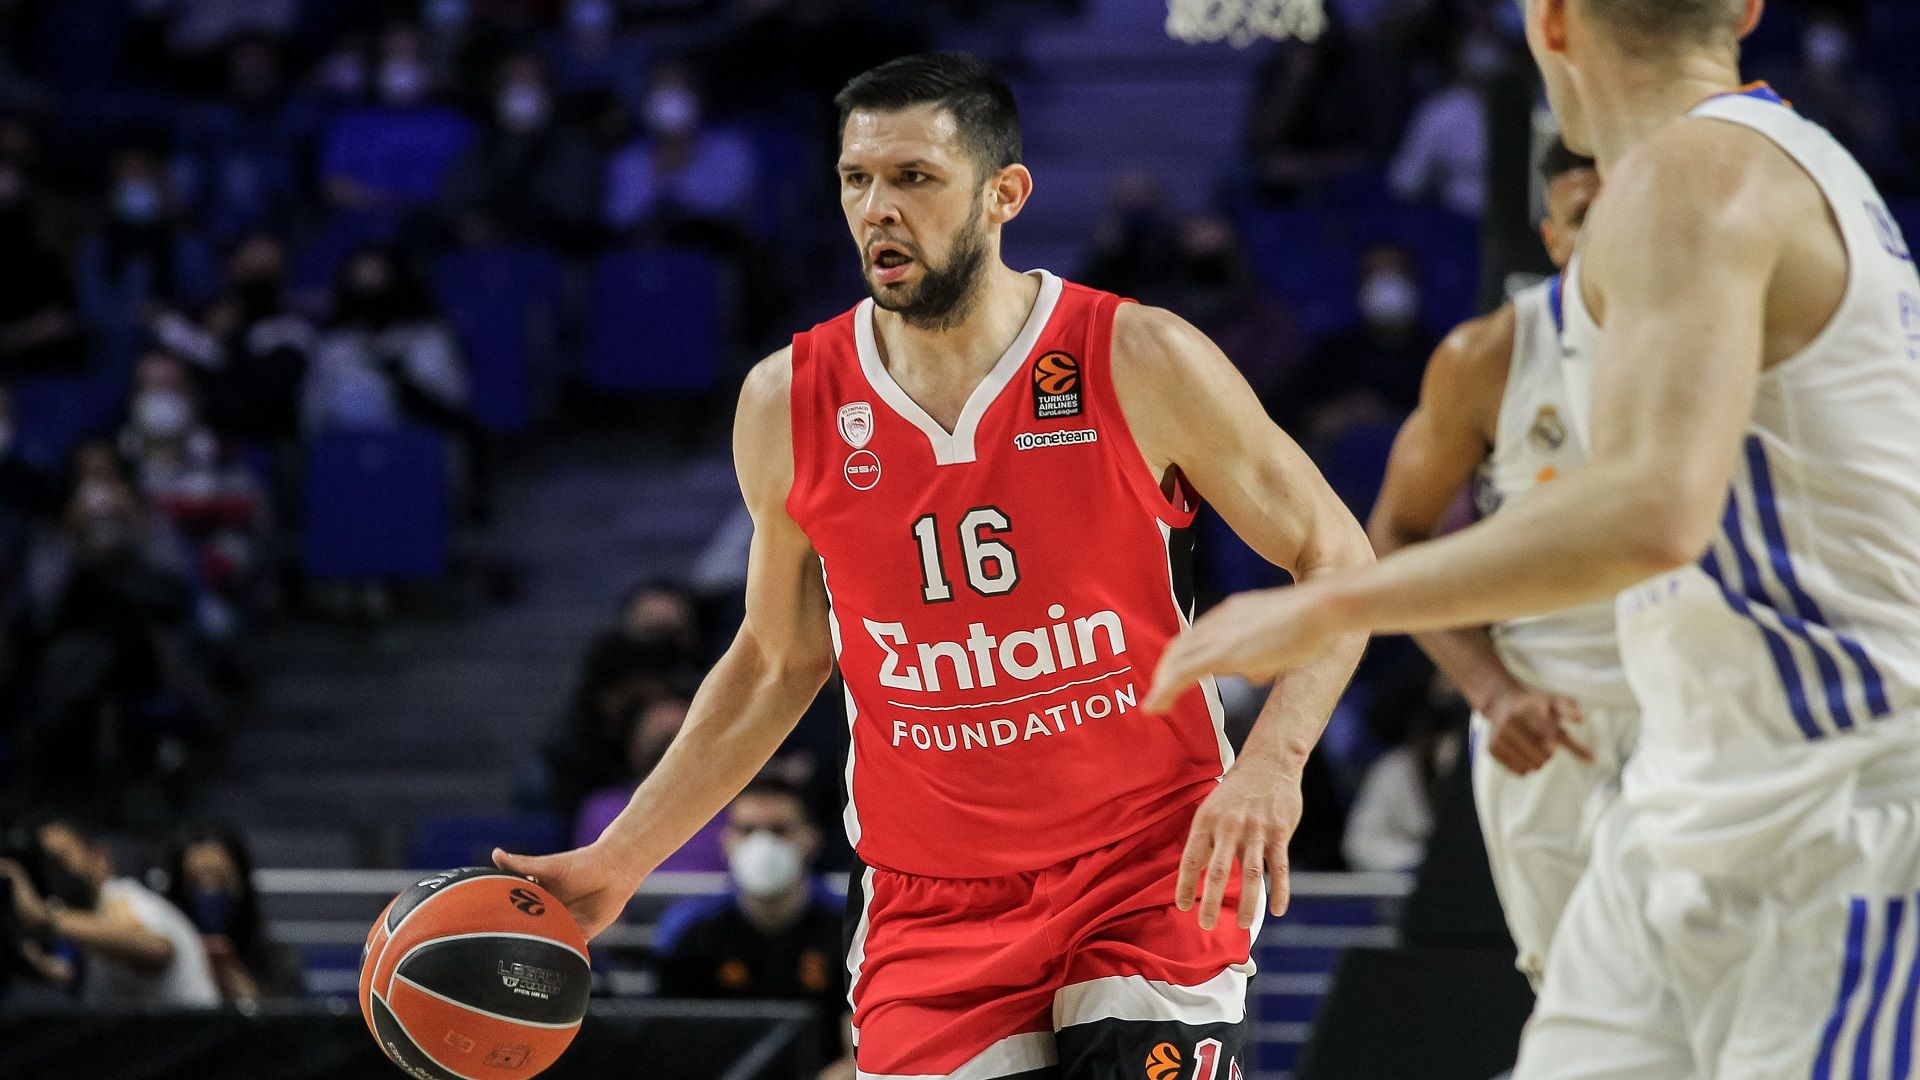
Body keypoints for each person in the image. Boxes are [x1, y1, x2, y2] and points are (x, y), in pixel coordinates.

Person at [497, 52, 1373, 1080]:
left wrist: (1271, 766)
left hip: (1145, 861)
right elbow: (778, 660)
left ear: (1006, 194)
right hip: (930, 901)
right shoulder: (787, 403)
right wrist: (620, 859)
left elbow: (1337, 557)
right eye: (856, 180)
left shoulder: (1137, 356)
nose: (879, 208)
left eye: (914, 177)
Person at [1147, 1, 1920, 1076]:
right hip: (1681, 794)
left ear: (1547, 22)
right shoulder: (1784, 167)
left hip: (1833, 808)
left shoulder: (1697, 174)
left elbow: (1652, 511)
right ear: (1746, 9)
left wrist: (1331, 600)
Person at [1364, 141, 1634, 983]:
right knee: (1576, 995)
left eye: (1627, 210)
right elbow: (1393, 538)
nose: (1610, 235)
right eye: (1586, 216)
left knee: (1725, 991)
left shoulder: (1743, 336)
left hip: (1706, 696)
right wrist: (1491, 690)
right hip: (1552, 714)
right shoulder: (1491, 355)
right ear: (1553, 237)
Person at [655, 776, 848, 1060]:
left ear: (811, 839)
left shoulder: (848, 932)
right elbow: (668, 1040)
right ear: (726, 841)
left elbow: (862, 1048)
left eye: (779, 830)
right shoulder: (691, 931)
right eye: (747, 830)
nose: (763, 844)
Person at [0, 818, 219, 1007]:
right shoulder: (88, 918)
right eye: (43, 864)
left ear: (100, 858)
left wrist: (45, 917)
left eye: (58, 860)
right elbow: (67, 972)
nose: (51, 873)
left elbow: (156, 949)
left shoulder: (121, 899)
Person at [163, 827, 303, 1004]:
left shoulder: (278, 963)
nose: (209, 892)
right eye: (196, 881)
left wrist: (252, 1000)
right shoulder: (161, 959)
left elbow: (290, 1014)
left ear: (242, 884)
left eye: (221, 880)